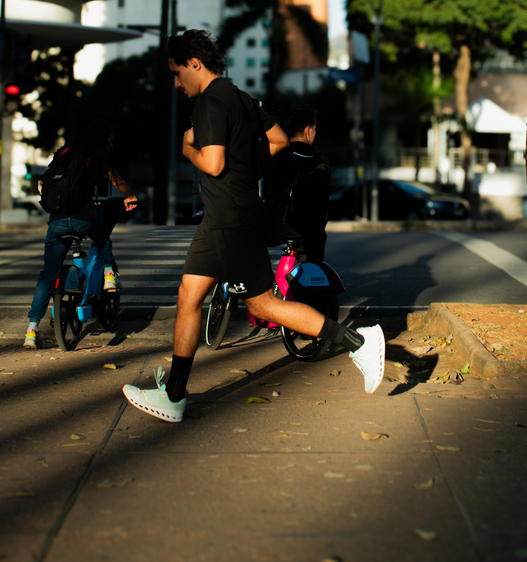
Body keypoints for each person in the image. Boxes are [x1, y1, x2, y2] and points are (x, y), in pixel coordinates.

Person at [123, 30, 384, 422]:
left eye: (178, 73)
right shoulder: (240, 97)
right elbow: (278, 141)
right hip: (221, 219)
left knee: (263, 304)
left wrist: (188, 148)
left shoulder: (209, 102)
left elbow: (212, 163)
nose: (176, 83)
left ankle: (359, 342)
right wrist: (243, 160)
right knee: (188, 296)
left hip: (232, 219)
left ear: (195, 64)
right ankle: (174, 396)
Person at [25, 119, 137, 349]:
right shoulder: (98, 156)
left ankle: (31, 330)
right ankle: (108, 274)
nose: (111, 144)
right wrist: (131, 196)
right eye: (110, 139)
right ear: (101, 139)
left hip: (56, 222)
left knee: (47, 275)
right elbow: (116, 180)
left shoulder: (64, 151)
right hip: (84, 219)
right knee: (103, 232)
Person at [263, 107, 331, 263]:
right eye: (314, 129)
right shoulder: (322, 160)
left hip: (276, 228)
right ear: (308, 130)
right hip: (312, 232)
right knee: (312, 261)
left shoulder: (277, 154)